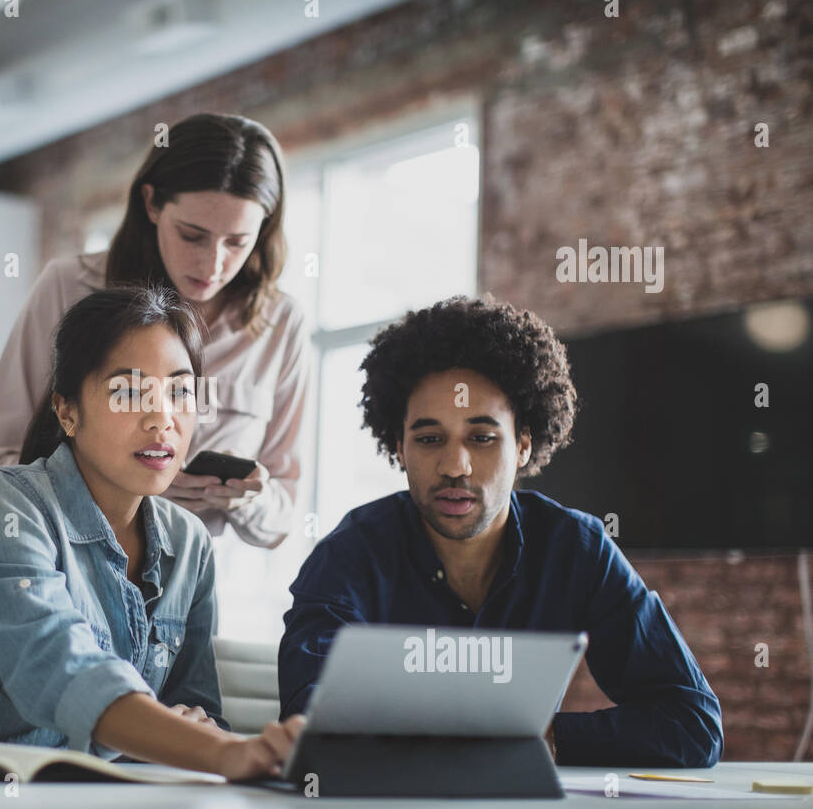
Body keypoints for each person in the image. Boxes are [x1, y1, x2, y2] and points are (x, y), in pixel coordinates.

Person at [278, 296, 723, 767]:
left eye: (482, 437)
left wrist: (538, 735)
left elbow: (692, 724)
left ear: (524, 445)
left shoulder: (577, 550)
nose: (455, 466)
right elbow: (310, 718)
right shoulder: (349, 556)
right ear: (399, 448)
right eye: (429, 439)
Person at [0, 286, 304, 779]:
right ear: (67, 411)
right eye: (128, 392)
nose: (163, 419)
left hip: (89, 802)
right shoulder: (4, 507)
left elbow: (194, 706)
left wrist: (197, 728)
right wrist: (223, 751)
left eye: (180, 391)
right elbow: (58, 668)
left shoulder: (191, 543)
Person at [0, 112, 311, 550]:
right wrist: (121, 486)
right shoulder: (66, 288)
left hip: (198, 601)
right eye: (192, 235)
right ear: (151, 203)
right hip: (69, 580)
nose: (212, 264)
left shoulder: (283, 325)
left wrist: (247, 499)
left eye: (237, 242)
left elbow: (285, 518)